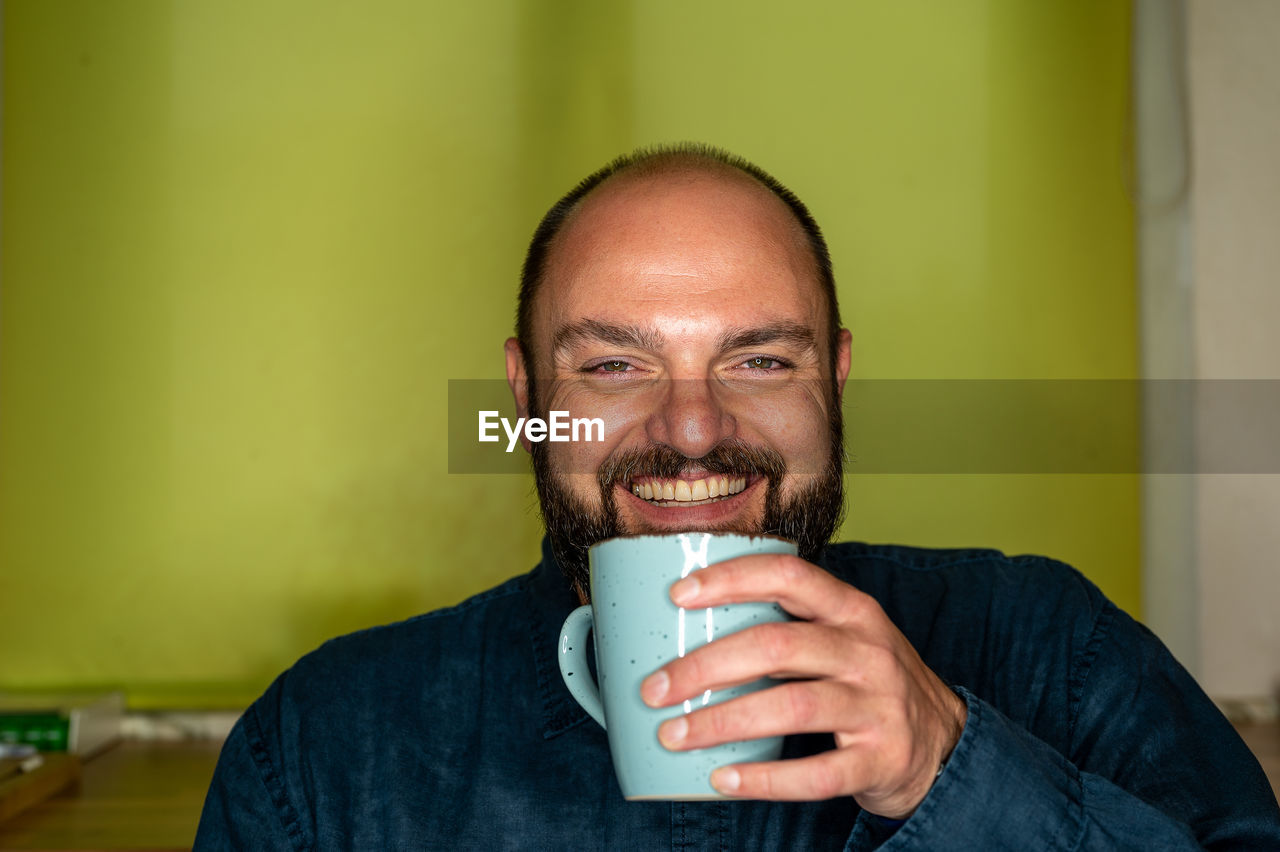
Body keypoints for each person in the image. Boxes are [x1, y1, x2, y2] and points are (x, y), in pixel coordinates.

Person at [194, 144, 1280, 849]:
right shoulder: (325, 751)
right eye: (611, 367)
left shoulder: (1051, 650)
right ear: (526, 399)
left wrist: (959, 776)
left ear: (834, 380)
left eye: (759, 362)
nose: (693, 428)